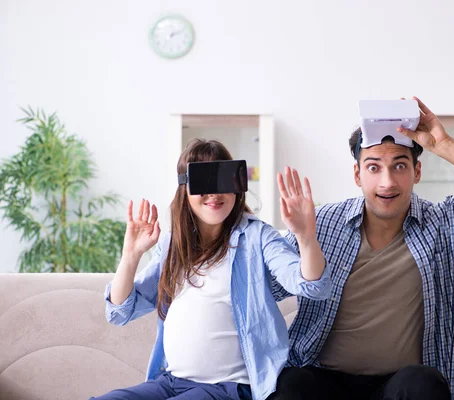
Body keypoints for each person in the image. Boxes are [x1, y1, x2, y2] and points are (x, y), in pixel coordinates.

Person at [270, 97, 454, 400]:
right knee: (291, 384)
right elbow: (260, 289)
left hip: (399, 388)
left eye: (399, 165)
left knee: (423, 383)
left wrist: (444, 144)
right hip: (321, 381)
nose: (387, 182)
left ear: (417, 172)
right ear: (358, 174)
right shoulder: (321, 224)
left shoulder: (445, 228)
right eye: (374, 167)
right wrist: (304, 240)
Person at [91, 138, 331, 400]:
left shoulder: (257, 237)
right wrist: (130, 255)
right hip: (170, 382)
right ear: (185, 187)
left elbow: (312, 285)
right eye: (204, 182)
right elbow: (119, 312)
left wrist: (306, 238)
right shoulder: (173, 245)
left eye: (223, 181)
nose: (215, 194)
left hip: (228, 388)